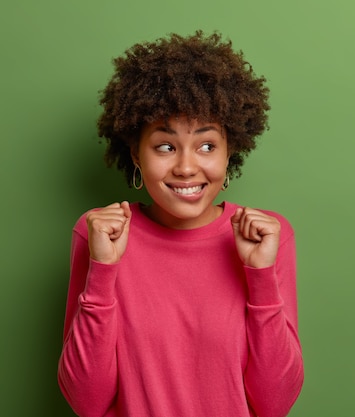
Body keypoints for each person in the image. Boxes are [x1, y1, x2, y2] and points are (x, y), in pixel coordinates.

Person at [57, 31, 304, 417]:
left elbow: (274, 403)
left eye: (207, 145)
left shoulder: (267, 237)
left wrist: (261, 277)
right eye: (165, 146)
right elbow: (87, 402)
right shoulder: (101, 235)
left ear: (230, 151)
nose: (187, 167)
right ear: (136, 155)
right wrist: (104, 271)